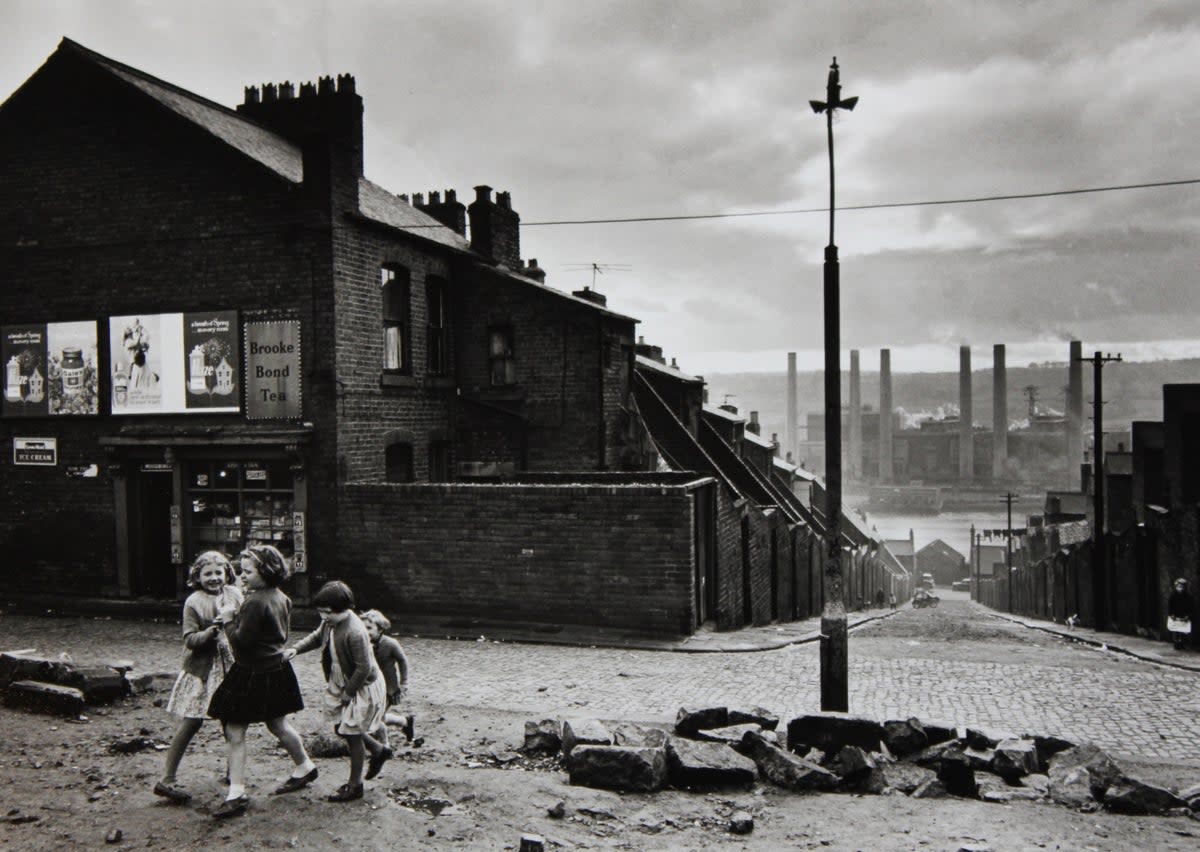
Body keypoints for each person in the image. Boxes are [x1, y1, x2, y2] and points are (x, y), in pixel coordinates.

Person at [206, 545, 315, 819]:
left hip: (252, 672)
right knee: (278, 724)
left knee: (234, 730)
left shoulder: (254, 601)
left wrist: (229, 620)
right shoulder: (281, 597)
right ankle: (304, 766)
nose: (242, 577)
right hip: (277, 669)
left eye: (247, 572)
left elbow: (241, 641)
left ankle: (236, 793)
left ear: (265, 572)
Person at [285, 582, 390, 802]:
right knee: (340, 727)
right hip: (342, 681)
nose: (323, 616)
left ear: (343, 609)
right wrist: (296, 649)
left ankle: (355, 785)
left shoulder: (355, 631)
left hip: (360, 686)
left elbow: (364, 667)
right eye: (321, 612)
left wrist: (349, 693)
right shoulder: (329, 623)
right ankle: (378, 749)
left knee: (351, 733)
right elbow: (316, 637)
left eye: (327, 612)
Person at [154, 551, 243, 804]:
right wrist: (212, 630)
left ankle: (232, 771)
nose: (214, 578)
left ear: (227, 573)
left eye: (218, 572)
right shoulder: (194, 602)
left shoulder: (235, 594)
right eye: (208, 574)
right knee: (191, 722)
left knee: (231, 719)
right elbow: (189, 639)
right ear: (197, 576)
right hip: (203, 670)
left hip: (229, 666)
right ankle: (166, 778)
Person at [361, 609, 413, 747]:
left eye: (369, 628)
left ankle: (385, 745)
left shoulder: (390, 644)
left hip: (388, 689)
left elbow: (402, 661)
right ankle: (405, 722)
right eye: (363, 628)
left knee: (375, 718)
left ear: (380, 629)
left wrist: (404, 683)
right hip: (369, 687)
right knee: (377, 716)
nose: (365, 632)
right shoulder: (361, 644)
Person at [1167, 577, 1194, 651]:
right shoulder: (1173, 596)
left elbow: (1191, 607)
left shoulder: (1188, 597)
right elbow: (1170, 606)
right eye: (1178, 586)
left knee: (1184, 631)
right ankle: (1176, 644)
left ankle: (1183, 643)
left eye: (1182, 586)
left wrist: (1188, 616)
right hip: (1175, 615)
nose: (1180, 588)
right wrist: (1171, 614)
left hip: (1184, 615)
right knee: (1176, 630)